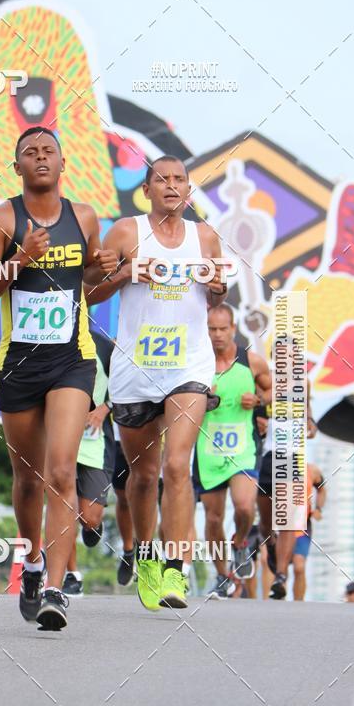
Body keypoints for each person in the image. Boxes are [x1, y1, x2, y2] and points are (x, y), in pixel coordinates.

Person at [0, 126, 116, 631]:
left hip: (72, 360)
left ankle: (55, 589)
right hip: (18, 366)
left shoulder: (86, 218)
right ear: (18, 168)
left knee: (61, 472)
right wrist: (20, 259)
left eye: (48, 151)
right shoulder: (1, 218)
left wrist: (110, 270)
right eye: (29, 153)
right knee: (28, 480)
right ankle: (32, 564)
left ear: (61, 162)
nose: (40, 158)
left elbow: (91, 286)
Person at [85, 155, 227, 611]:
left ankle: (175, 570)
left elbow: (217, 291)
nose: (171, 186)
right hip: (135, 370)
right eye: (161, 180)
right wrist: (126, 272)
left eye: (179, 180)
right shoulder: (127, 232)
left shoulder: (205, 237)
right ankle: (144, 554)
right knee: (142, 478)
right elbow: (89, 293)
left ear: (189, 190)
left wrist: (221, 286)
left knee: (176, 467)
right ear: (145, 190)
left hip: (188, 366)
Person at [193, 304, 271, 599]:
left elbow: (274, 390)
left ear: (233, 329)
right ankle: (223, 575)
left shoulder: (251, 361)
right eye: (211, 329)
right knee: (213, 519)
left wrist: (259, 399)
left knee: (243, 506)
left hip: (243, 448)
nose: (217, 335)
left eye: (222, 329)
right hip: (207, 450)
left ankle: (239, 543)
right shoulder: (197, 362)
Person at [257, 341, 317, 600]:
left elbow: (309, 418)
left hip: (293, 455)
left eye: (293, 358)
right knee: (267, 520)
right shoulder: (265, 383)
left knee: (289, 519)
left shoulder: (304, 384)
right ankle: (270, 545)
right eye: (282, 358)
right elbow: (254, 408)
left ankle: (280, 576)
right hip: (267, 455)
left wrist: (311, 425)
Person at [63, 331, 115, 597]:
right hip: (62, 435)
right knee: (64, 506)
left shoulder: (104, 345)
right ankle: (71, 574)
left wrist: (104, 408)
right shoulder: (51, 339)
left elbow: (124, 383)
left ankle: (93, 525)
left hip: (96, 440)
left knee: (88, 517)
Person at [290, 462, 326, 600]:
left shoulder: (311, 470)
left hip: (302, 526)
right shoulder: (273, 465)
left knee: (299, 567)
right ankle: (269, 603)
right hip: (278, 525)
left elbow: (322, 489)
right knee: (270, 564)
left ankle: (298, 605)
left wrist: (318, 509)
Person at [111, 424, 136, 585]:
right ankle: (128, 551)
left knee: (149, 489)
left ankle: (148, 554)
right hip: (117, 434)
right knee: (123, 496)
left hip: (154, 432)